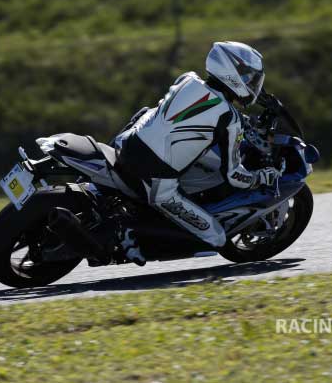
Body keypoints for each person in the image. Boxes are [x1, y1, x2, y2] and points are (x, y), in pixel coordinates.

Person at [114, 41, 281, 266]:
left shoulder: (187, 79)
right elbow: (234, 176)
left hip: (126, 145)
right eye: (249, 77)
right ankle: (127, 231)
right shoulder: (229, 118)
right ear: (232, 74)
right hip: (155, 178)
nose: (252, 84)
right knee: (216, 237)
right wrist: (262, 177)